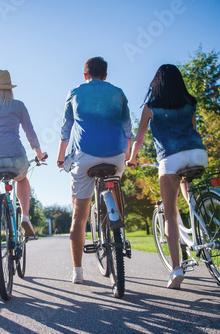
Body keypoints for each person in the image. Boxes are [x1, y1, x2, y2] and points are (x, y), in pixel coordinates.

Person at [126, 64, 208, 289]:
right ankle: (195, 210)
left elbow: (140, 139)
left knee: (170, 215)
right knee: (185, 179)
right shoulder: (190, 103)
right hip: (199, 154)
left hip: (170, 158)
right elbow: (192, 128)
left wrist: (132, 158)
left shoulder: (150, 106)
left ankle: (176, 268)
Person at [56, 57, 132, 284]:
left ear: (85, 75)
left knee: (79, 215)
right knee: (115, 187)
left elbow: (65, 129)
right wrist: (127, 156)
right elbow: (127, 129)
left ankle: (77, 272)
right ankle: (118, 230)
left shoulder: (76, 91)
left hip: (85, 156)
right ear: (105, 75)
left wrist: (61, 158)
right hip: (116, 155)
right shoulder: (118, 93)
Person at [0, 69, 47, 290]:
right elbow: (30, 133)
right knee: (22, 179)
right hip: (16, 157)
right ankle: (25, 215)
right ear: (9, 89)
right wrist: (39, 153)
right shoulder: (18, 105)